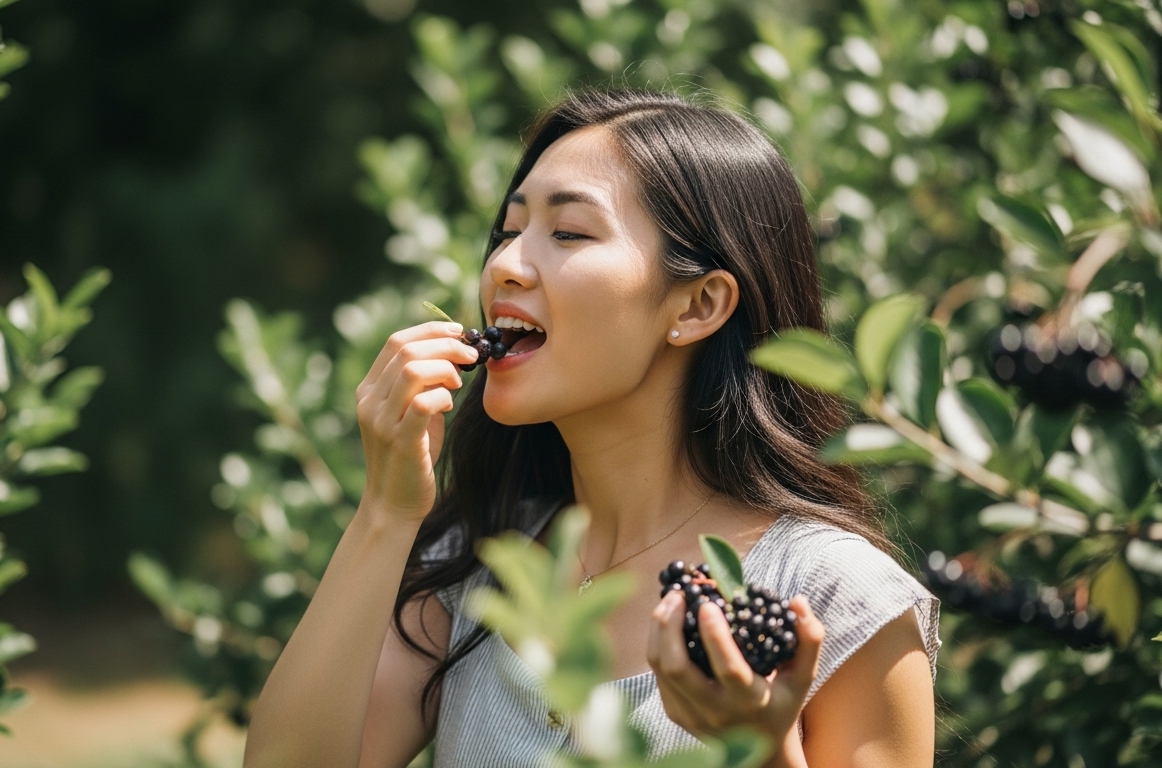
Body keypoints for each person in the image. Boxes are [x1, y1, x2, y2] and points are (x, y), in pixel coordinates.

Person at [244, 88, 940, 768]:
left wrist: (763, 752)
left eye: (568, 232)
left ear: (698, 305)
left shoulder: (834, 596)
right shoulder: (477, 563)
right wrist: (386, 510)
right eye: (509, 231)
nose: (507, 266)